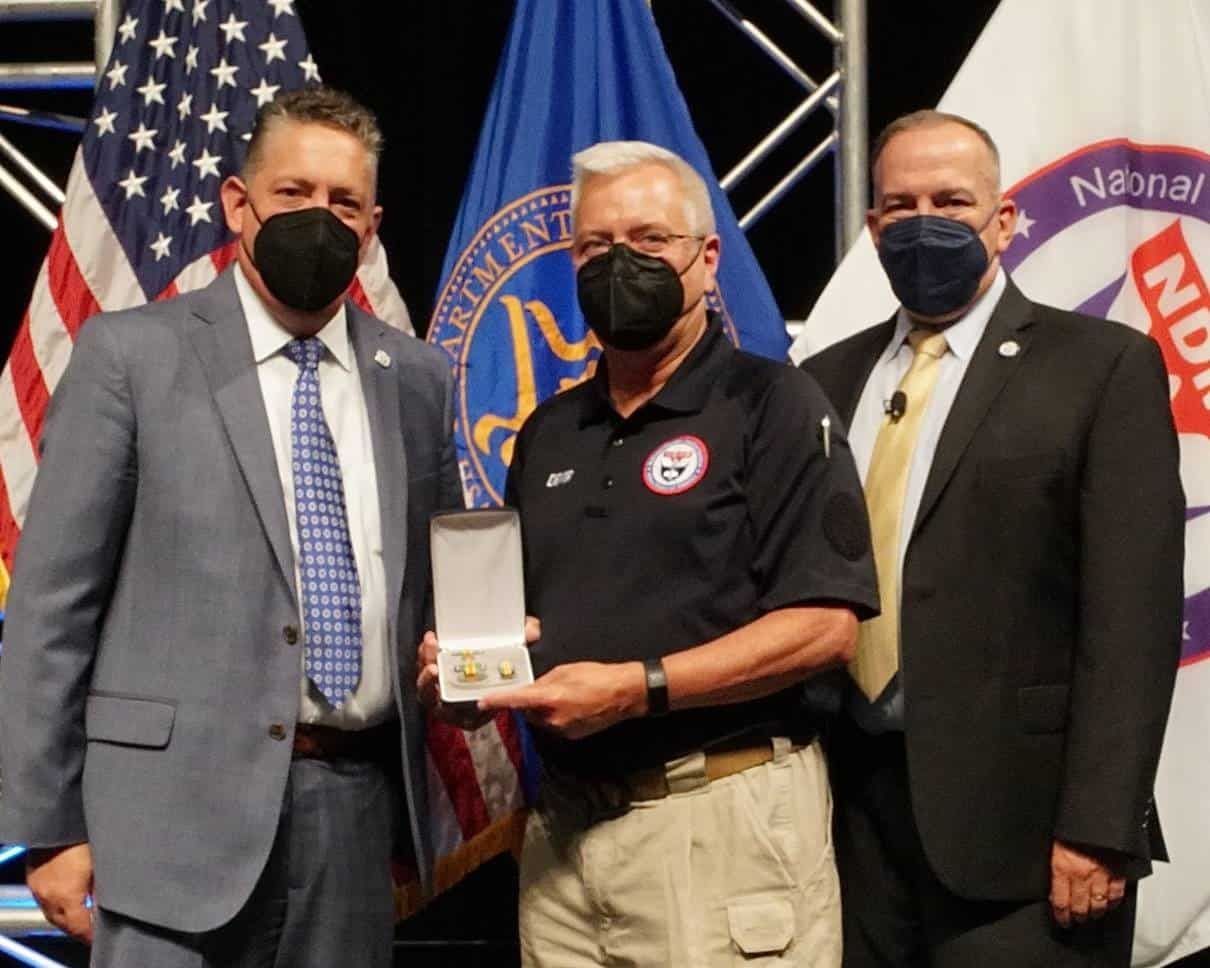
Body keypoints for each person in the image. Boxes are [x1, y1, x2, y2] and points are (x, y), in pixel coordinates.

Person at [0, 87, 461, 966]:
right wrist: (49, 827)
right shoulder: (131, 356)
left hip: (352, 819)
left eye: (344, 204)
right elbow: (51, 608)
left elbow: (428, 596)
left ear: (372, 226)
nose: (319, 219)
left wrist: (469, 653)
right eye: (294, 195)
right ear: (237, 203)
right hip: (165, 828)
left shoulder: (418, 379)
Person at [419, 140, 879, 967]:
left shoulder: (771, 404)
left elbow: (825, 628)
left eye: (649, 241)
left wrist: (638, 691)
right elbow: (520, 630)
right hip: (564, 838)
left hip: (721, 819)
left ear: (706, 261)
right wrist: (463, 679)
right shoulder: (551, 432)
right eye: (596, 246)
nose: (619, 263)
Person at [801, 109, 1185, 967]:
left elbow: (1135, 616)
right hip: (850, 824)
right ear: (871, 228)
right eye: (900, 206)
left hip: (1028, 838)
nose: (925, 222)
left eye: (951, 200)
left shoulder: (1101, 366)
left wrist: (1099, 826)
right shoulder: (825, 380)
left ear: (1003, 220)